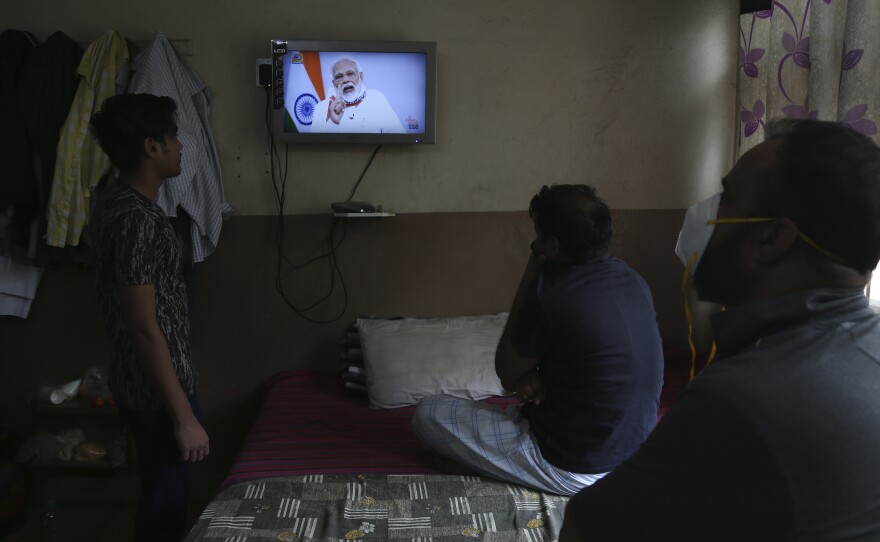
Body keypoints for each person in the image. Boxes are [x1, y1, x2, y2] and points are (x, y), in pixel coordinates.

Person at [560, 118, 880, 541]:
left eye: (727, 198)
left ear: (770, 240)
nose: (707, 213)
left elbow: (583, 532)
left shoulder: (742, 399)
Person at [412, 184, 665, 496]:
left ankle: (505, 475)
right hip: (632, 458)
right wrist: (537, 376)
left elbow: (505, 374)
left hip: (574, 466)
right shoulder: (632, 279)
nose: (534, 244)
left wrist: (530, 274)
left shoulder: (551, 293)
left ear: (552, 246)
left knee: (428, 413)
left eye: (538, 238)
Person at [89, 93, 209, 542]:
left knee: (160, 499)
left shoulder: (113, 201)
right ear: (151, 147)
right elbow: (143, 327)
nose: (181, 146)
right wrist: (183, 417)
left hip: (143, 384)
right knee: (166, 508)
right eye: (174, 137)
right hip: (156, 393)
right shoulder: (137, 220)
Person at [311, 57, 406, 133]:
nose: (345, 80)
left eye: (350, 73)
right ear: (333, 83)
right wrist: (334, 122)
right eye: (339, 77)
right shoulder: (321, 108)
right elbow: (315, 146)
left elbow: (398, 136)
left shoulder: (376, 98)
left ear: (361, 76)